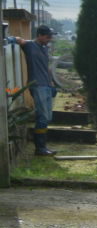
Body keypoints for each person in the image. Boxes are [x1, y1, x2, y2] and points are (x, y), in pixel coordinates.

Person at [6, 25, 59, 156]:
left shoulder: (45, 48)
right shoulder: (30, 46)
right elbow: (20, 40)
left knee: (47, 117)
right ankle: (40, 148)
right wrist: (9, 39)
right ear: (40, 35)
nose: (49, 39)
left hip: (46, 85)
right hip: (37, 85)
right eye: (47, 36)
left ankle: (42, 147)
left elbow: (46, 67)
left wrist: (52, 83)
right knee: (43, 116)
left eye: (50, 36)